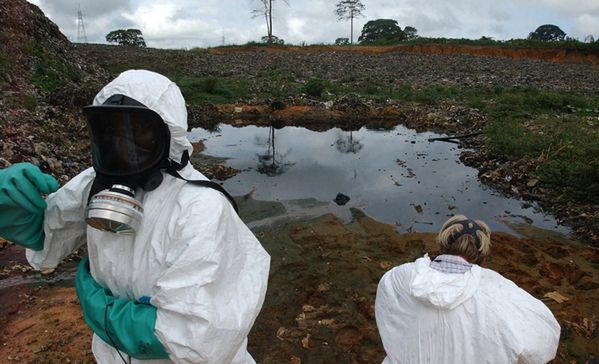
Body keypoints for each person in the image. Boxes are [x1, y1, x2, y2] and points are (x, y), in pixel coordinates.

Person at [0, 69, 270, 363]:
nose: (121, 141)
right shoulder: (95, 183)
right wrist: (15, 209)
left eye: (137, 129)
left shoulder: (200, 208)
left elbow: (197, 337)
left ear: (168, 134)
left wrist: (106, 315)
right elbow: (48, 236)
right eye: (109, 128)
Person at [375, 214, 560, 364]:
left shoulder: (401, 276)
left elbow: (388, 310)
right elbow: (543, 343)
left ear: (442, 245)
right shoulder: (498, 290)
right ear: (482, 257)